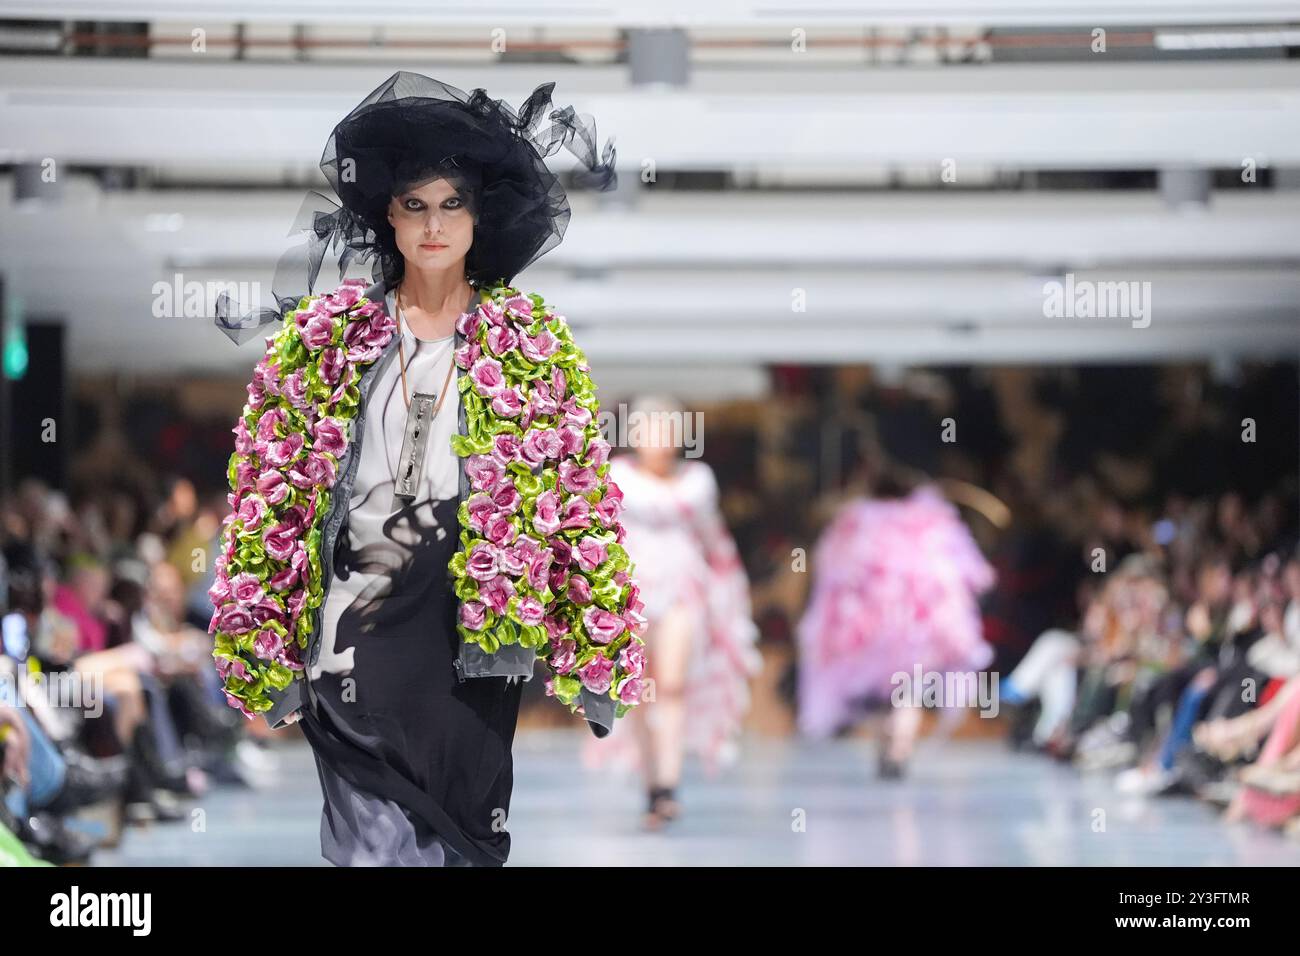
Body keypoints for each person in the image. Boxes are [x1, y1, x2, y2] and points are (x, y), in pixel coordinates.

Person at [208, 73, 651, 866]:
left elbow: (576, 496)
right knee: (371, 841)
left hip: (470, 625)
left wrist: (595, 654)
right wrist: (261, 647)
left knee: (466, 836)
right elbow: (263, 502)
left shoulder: (528, 342)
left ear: (479, 217)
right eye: (416, 204)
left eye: (452, 204)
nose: (434, 224)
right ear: (388, 214)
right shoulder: (325, 337)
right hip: (357, 615)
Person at [584, 394, 760, 829]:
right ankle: (651, 781)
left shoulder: (698, 481)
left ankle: (668, 783)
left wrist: (731, 593)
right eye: (651, 432)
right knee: (638, 691)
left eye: (668, 432)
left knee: (675, 686)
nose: (660, 442)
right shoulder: (618, 476)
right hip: (631, 593)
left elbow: (713, 537)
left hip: (682, 590)